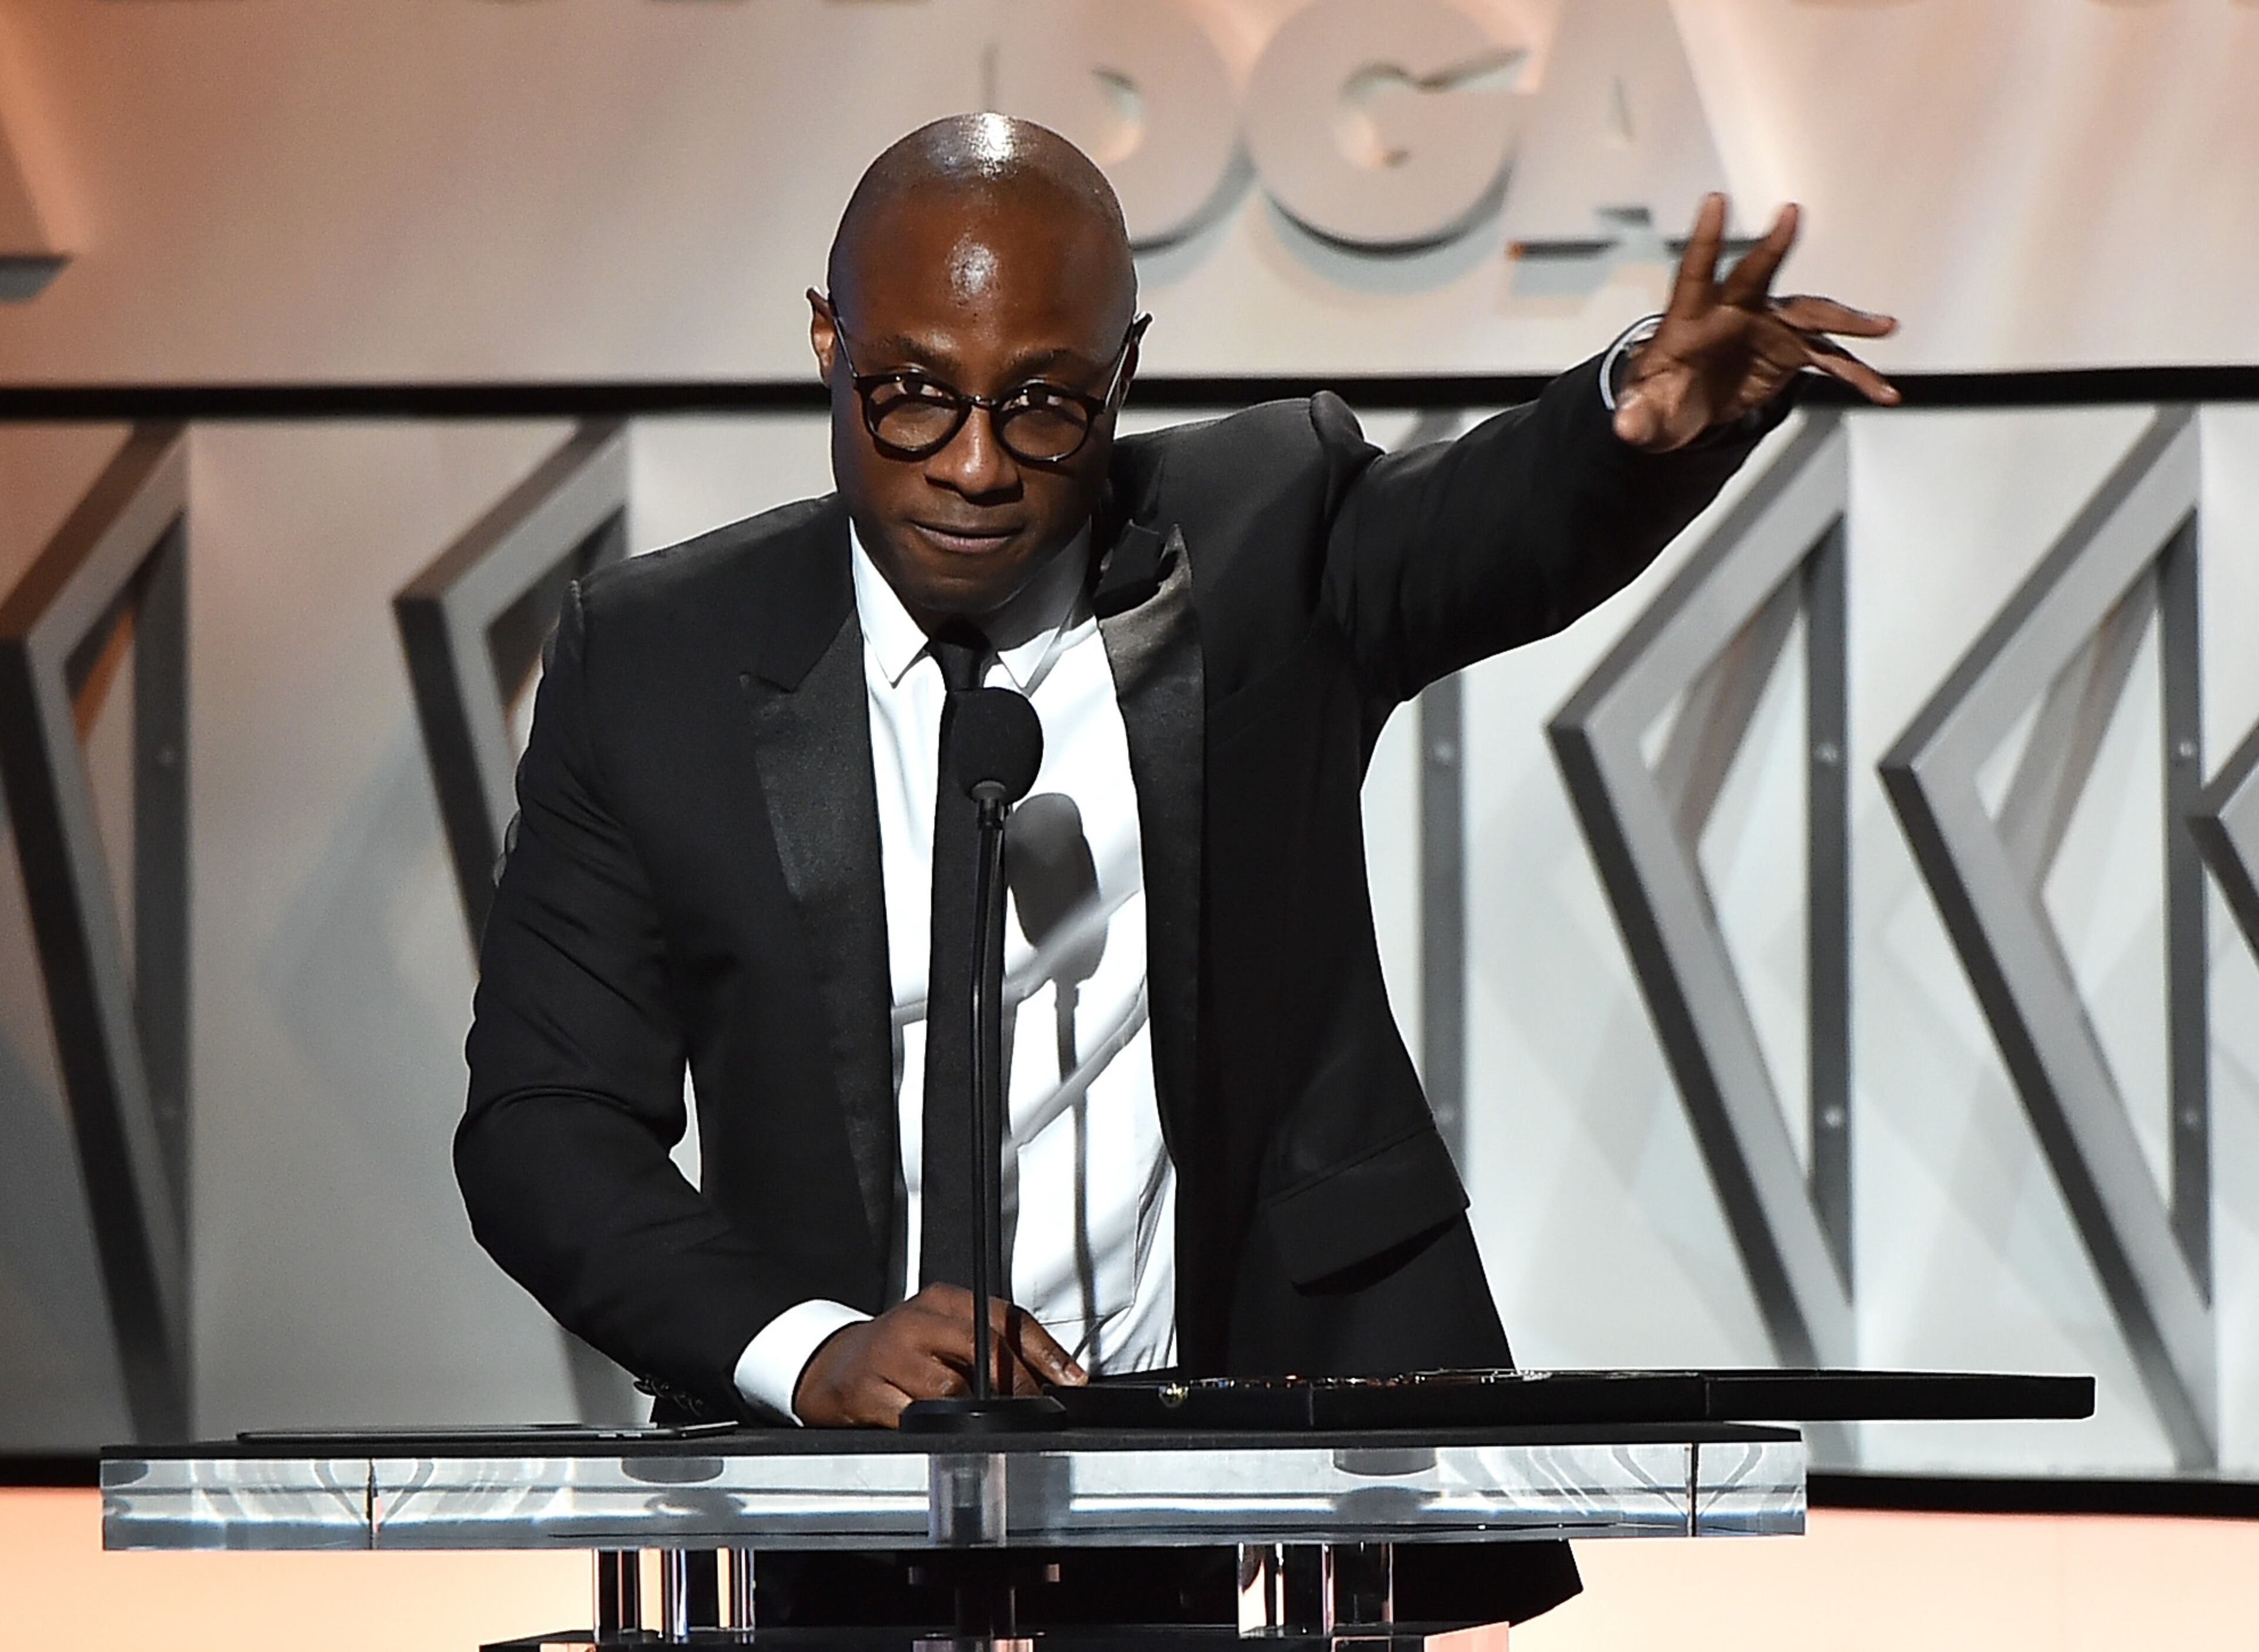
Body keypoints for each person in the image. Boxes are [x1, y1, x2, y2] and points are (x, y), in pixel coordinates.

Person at [455, 114, 1897, 1628]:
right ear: (828, 339)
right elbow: (547, 1128)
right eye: (911, 398)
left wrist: (1630, 427)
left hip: (1255, 1495)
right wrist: (807, 1347)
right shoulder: (655, 664)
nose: (976, 465)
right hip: (836, 1508)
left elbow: (1489, 529)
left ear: (1125, 370)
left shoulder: (1262, 538)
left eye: (1047, 408)